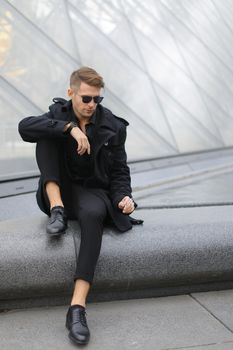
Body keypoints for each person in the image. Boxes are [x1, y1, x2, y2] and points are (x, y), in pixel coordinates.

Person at [18, 66, 142, 346]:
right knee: (46, 135)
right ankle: (57, 210)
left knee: (94, 214)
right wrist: (69, 128)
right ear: (70, 93)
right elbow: (24, 127)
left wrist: (124, 197)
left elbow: (120, 171)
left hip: (89, 192)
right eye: (86, 98)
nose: (91, 105)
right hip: (56, 191)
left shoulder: (112, 126)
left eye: (97, 99)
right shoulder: (58, 114)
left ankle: (77, 308)